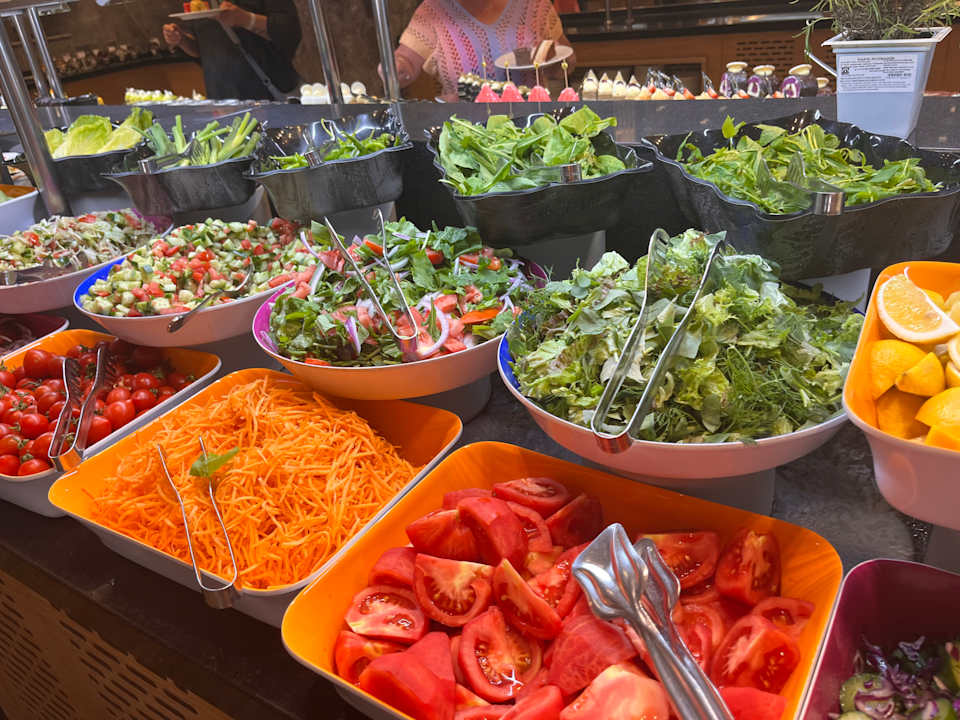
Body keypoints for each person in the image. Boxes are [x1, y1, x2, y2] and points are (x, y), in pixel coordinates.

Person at [393, 0, 575, 101]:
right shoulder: (434, 10)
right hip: (466, 132)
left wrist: (554, 65)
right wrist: (397, 68)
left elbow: (567, 62)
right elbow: (404, 64)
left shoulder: (534, 5)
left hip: (530, 126)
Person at [162, 0, 301, 100]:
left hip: (266, 93)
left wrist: (247, 19)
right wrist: (181, 40)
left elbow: (289, 30)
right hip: (221, 98)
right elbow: (202, 50)